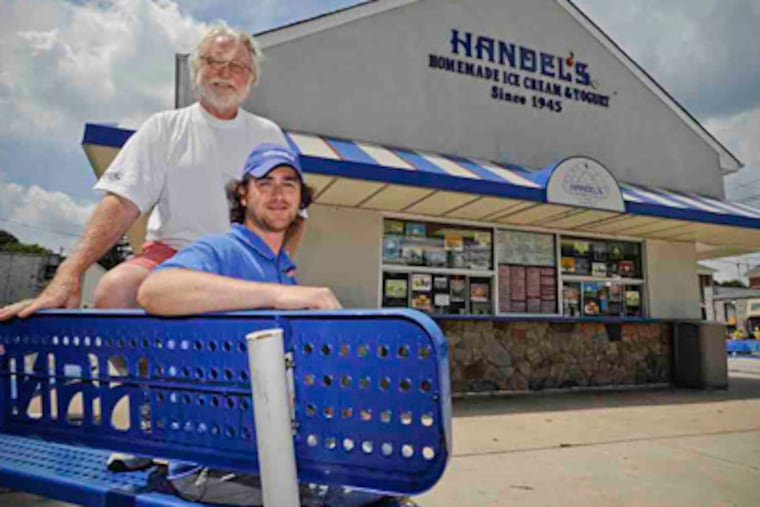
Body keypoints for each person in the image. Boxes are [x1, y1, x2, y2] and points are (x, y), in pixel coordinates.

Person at [137, 144, 388, 506]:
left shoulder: (281, 268)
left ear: (301, 198)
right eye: (265, 182)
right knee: (365, 492)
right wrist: (279, 295)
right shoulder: (222, 248)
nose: (277, 193)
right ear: (244, 192)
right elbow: (155, 290)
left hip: (267, 445)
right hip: (216, 461)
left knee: (382, 472)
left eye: (289, 184)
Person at [0, 24, 296, 321]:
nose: (224, 72)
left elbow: (294, 216)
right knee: (115, 290)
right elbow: (122, 202)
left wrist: (274, 268)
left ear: (251, 79)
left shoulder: (268, 135)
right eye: (214, 61)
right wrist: (70, 271)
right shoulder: (163, 127)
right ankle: (144, 370)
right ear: (197, 70)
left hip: (241, 259)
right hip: (173, 255)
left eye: (236, 65)